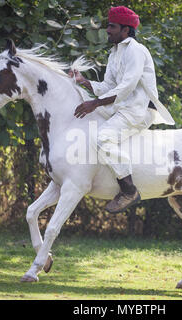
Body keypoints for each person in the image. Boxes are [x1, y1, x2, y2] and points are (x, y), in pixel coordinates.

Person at [69, 6, 175, 213]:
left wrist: (95, 103)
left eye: (112, 26)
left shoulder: (136, 50)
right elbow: (109, 86)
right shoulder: (115, 53)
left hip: (138, 111)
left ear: (125, 30)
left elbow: (126, 87)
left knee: (101, 138)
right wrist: (84, 82)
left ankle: (128, 190)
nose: (107, 30)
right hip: (120, 109)